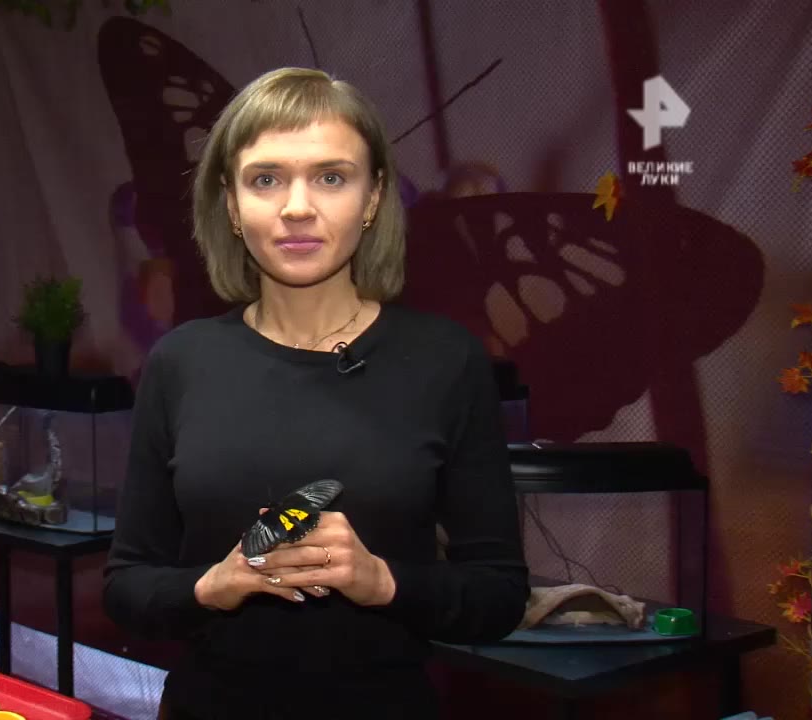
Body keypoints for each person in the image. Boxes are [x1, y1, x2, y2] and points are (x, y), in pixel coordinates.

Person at [102, 67, 529, 719]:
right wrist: (213, 586)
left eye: (331, 177)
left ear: (373, 197)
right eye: (265, 179)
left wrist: (381, 580)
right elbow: (127, 588)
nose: (297, 207)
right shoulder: (181, 362)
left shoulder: (446, 361)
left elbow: (498, 596)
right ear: (230, 203)